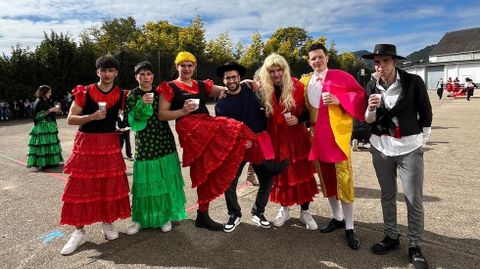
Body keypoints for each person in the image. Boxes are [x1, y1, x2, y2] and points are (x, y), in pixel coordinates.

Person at [158, 52, 280, 231]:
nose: (186, 68)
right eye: (182, 65)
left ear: (194, 67)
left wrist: (245, 82)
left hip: (206, 128)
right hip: (190, 130)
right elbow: (162, 114)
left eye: (190, 65)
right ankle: (255, 147)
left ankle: (203, 215)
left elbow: (227, 87)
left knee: (205, 172)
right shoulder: (170, 87)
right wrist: (182, 112)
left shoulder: (200, 85)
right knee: (231, 127)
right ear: (177, 67)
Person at [362, 44, 432, 269]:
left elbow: (426, 112)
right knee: (387, 195)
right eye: (376, 62)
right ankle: (391, 237)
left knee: (413, 198)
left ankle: (415, 245)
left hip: (409, 147)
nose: (380, 66)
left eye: (384, 61)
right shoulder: (371, 84)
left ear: (394, 62)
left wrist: (421, 139)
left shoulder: (413, 82)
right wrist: (371, 109)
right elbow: (368, 120)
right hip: (381, 147)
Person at [60, 56, 131, 255]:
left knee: (108, 185)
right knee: (81, 187)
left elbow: (136, 111)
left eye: (111, 70)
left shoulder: (121, 94)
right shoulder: (85, 91)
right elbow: (71, 119)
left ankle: (107, 223)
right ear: (97, 72)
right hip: (87, 144)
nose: (107, 74)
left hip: (109, 143)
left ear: (116, 73)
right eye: (103, 70)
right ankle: (79, 232)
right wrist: (91, 117)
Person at [299, 43, 365, 249]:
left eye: (320, 57)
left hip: (337, 137)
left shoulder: (342, 76)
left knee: (343, 180)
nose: (316, 61)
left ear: (326, 58)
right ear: (308, 61)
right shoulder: (304, 81)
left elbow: (361, 95)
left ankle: (350, 227)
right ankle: (337, 218)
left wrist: (339, 99)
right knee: (326, 180)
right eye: (312, 59)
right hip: (315, 136)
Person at [215, 62, 288, 232]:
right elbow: (227, 128)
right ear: (223, 80)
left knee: (267, 178)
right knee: (228, 181)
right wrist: (242, 140)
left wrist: (250, 81)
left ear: (239, 78)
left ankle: (258, 212)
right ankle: (234, 214)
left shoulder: (252, 90)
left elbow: (271, 83)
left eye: (234, 77)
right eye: (228, 78)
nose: (231, 80)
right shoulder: (221, 104)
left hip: (260, 142)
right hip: (238, 146)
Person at [256, 53, 319, 230]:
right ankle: (284, 209)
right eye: (272, 71)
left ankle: (305, 211)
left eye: (279, 70)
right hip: (276, 138)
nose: (276, 74)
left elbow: (309, 112)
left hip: (297, 138)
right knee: (281, 175)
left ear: (285, 70)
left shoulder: (298, 86)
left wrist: (299, 119)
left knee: (302, 174)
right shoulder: (263, 89)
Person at [124, 61, 187, 235]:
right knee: (144, 182)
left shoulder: (161, 91)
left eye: (148, 74)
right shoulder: (132, 95)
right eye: (141, 74)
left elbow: (178, 101)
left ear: (153, 76)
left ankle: (165, 216)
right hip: (144, 142)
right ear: (136, 77)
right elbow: (131, 122)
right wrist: (141, 104)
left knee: (165, 179)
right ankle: (139, 219)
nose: (145, 77)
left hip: (163, 140)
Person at [26, 85, 64, 172]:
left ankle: (49, 162)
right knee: (43, 145)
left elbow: (46, 111)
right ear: (44, 92)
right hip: (42, 128)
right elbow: (37, 116)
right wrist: (51, 110)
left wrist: (54, 109)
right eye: (49, 92)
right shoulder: (39, 101)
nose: (51, 94)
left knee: (48, 145)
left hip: (47, 127)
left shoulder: (44, 100)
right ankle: (43, 163)